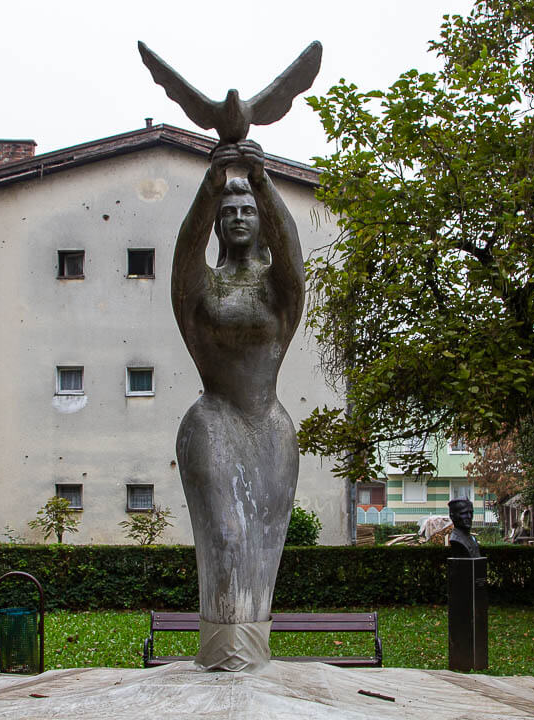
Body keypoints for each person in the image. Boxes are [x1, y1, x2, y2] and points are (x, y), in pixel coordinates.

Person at [172, 139, 304, 670]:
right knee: (227, 539)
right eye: (228, 212)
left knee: (264, 553)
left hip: (270, 427)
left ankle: (253, 660)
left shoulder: (280, 291)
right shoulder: (200, 288)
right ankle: (223, 659)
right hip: (214, 421)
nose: (239, 218)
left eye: (248, 210)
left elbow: (292, 251)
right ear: (217, 223)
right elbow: (184, 251)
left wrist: (261, 176)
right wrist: (214, 180)